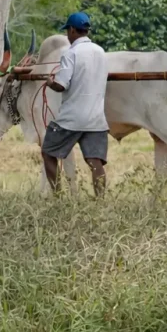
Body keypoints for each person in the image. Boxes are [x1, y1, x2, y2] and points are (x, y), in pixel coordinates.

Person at [41, 12, 109, 196]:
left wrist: (49, 82)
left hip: (71, 118)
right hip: (96, 118)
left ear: (72, 30)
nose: (67, 36)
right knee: (95, 162)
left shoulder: (70, 53)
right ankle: (100, 202)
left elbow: (61, 85)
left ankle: (58, 196)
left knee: (48, 152)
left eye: (68, 32)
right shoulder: (101, 52)